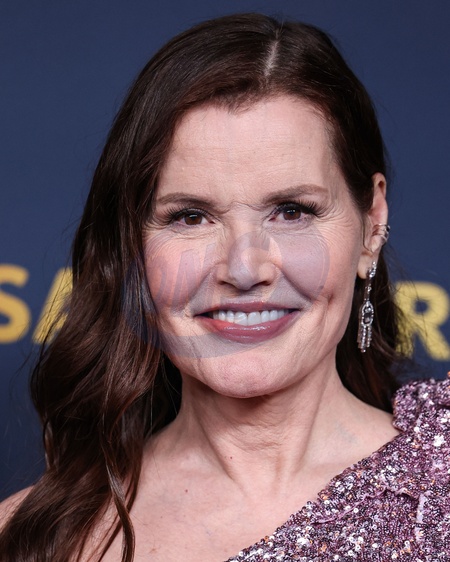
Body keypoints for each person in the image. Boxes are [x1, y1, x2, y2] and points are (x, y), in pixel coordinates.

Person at [1, 12, 449, 562]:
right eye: (190, 217)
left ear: (371, 222)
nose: (243, 268)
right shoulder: (32, 538)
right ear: (131, 245)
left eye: (292, 211)